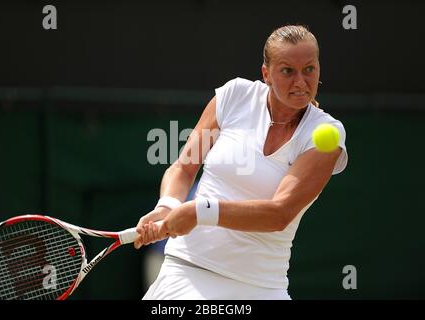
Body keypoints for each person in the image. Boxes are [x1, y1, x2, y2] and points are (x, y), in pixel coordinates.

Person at [134, 25, 348, 300]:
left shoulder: (325, 135)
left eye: (309, 69)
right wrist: (168, 205)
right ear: (266, 74)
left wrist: (200, 211)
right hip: (187, 272)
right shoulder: (235, 96)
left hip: (261, 287)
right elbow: (184, 167)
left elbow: (279, 213)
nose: (300, 82)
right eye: (287, 71)